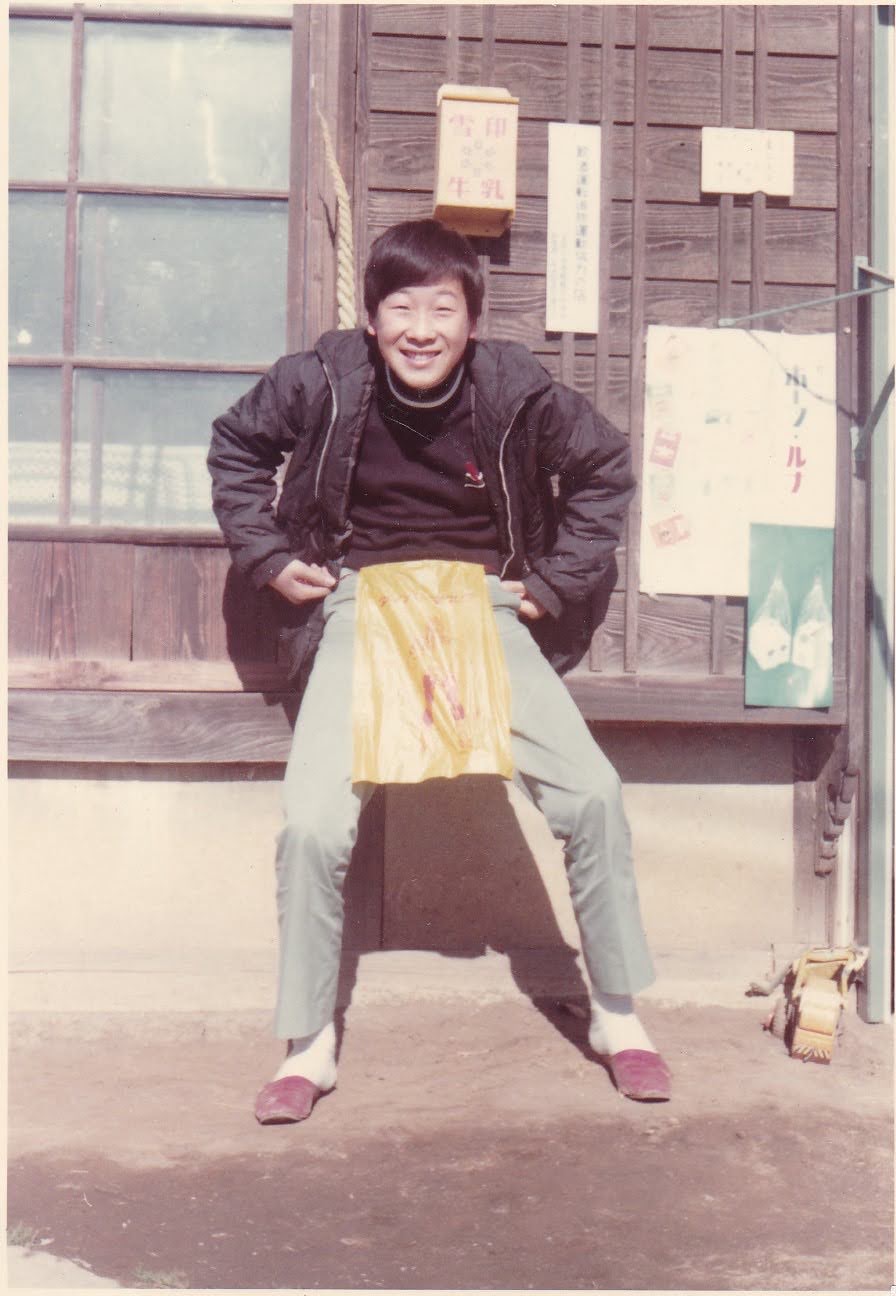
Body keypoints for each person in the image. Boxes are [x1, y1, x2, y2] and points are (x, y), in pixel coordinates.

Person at [208, 218, 670, 1123]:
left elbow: (605, 469)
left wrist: (553, 583)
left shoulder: (514, 388)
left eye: (443, 309)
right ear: (372, 318)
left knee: (593, 795)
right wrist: (267, 556)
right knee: (311, 825)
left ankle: (618, 1014)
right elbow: (237, 447)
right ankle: (308, 1040)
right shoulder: (323, 377)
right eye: (402, 308)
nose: (421, 330)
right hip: (359, 601)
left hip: (483, 606)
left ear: (472, 321)